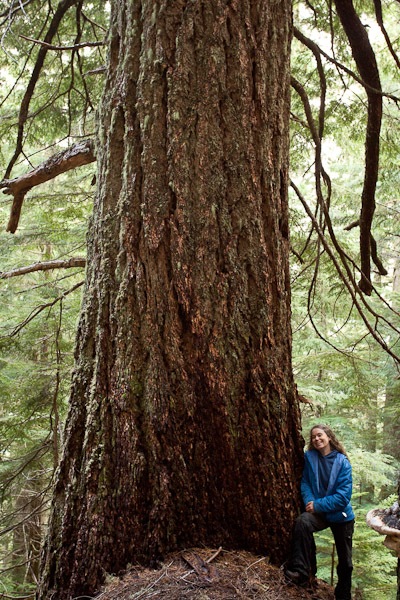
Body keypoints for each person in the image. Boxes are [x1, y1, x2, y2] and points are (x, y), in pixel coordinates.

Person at [284, 424, 355, 600]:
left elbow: (342, 498)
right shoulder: (310, 458)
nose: (317, 439)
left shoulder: (342, 463)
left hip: (341, 516)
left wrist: (318, 505)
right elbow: (306, 481)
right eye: (314, 437)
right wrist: (309, 501)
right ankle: (302, 572)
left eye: (320, 435)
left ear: (329, 437)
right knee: (303, 522)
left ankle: (343, 594)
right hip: (320, 513)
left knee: (345, 561)